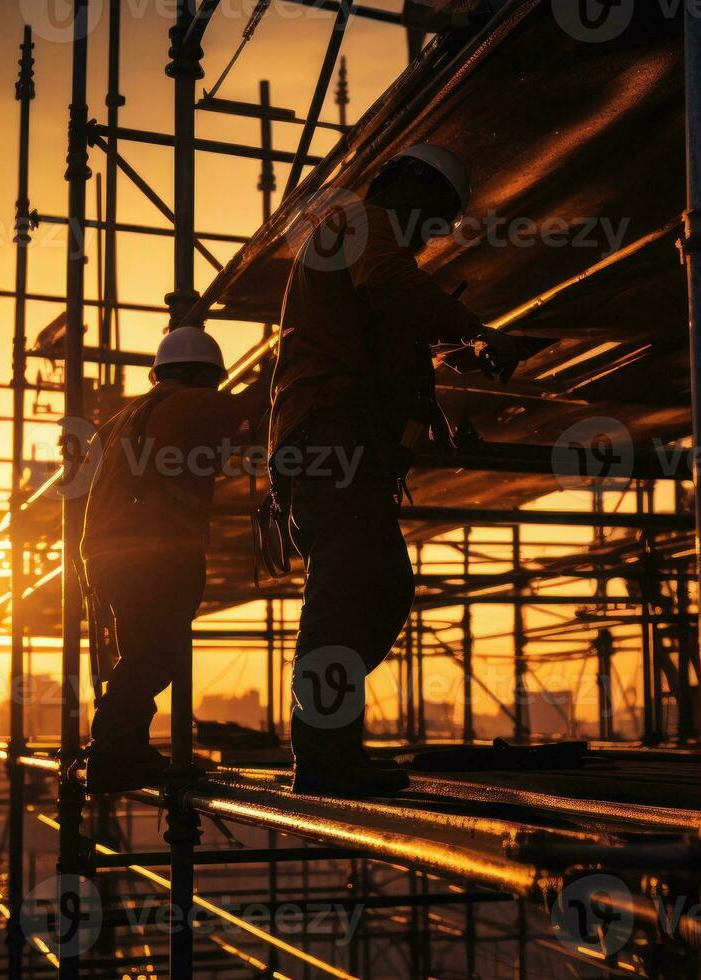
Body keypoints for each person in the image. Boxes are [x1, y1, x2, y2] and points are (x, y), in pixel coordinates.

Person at [270, 144, 520, 798]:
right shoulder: (360, 221)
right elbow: (390, 284)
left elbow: (382, 329)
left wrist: (450, 352)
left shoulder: (363, 253)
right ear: (407, 191)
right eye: (433, 216)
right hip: (330, 434)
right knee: (351, 584)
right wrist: (477, 327)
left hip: (344, 440)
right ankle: (324, 755)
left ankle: (328, 732)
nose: (433, 234)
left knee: (379, 588)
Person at [81, 326, 258, 793]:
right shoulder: (189, 404)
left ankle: (123, 748)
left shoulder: (137, 413)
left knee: (146, 651)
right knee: (157, 654)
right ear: (208, 376)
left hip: (117, 551)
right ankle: (114, 752)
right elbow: (250, 406)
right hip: (148, 552)